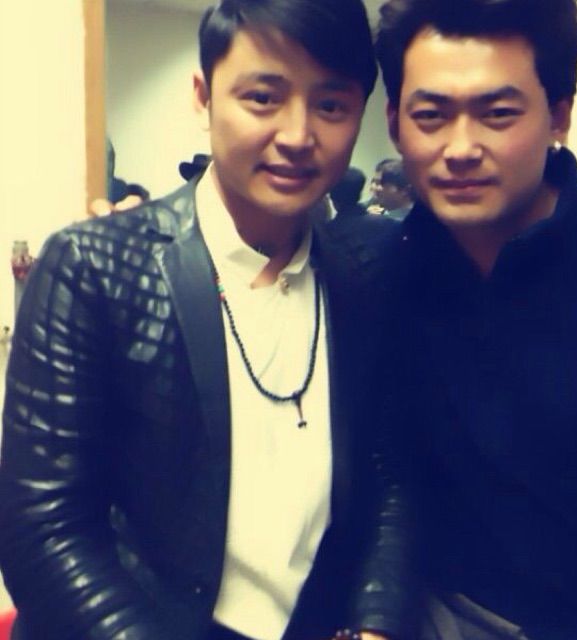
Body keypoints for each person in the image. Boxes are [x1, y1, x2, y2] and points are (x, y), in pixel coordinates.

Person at [0, 2, 413, 639]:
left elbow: (388, 475)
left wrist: (376, 621)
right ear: (203, 96)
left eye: (331, 105)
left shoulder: (363, 276)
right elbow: (42, 527)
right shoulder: (92, 267)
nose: (297, 134)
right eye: (263, 98)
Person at [369, 0, 577, 638]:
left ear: (559, 115)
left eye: (497, 114)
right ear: (395, 123)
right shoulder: (376, 272)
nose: (461, 149)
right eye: (431, 116)